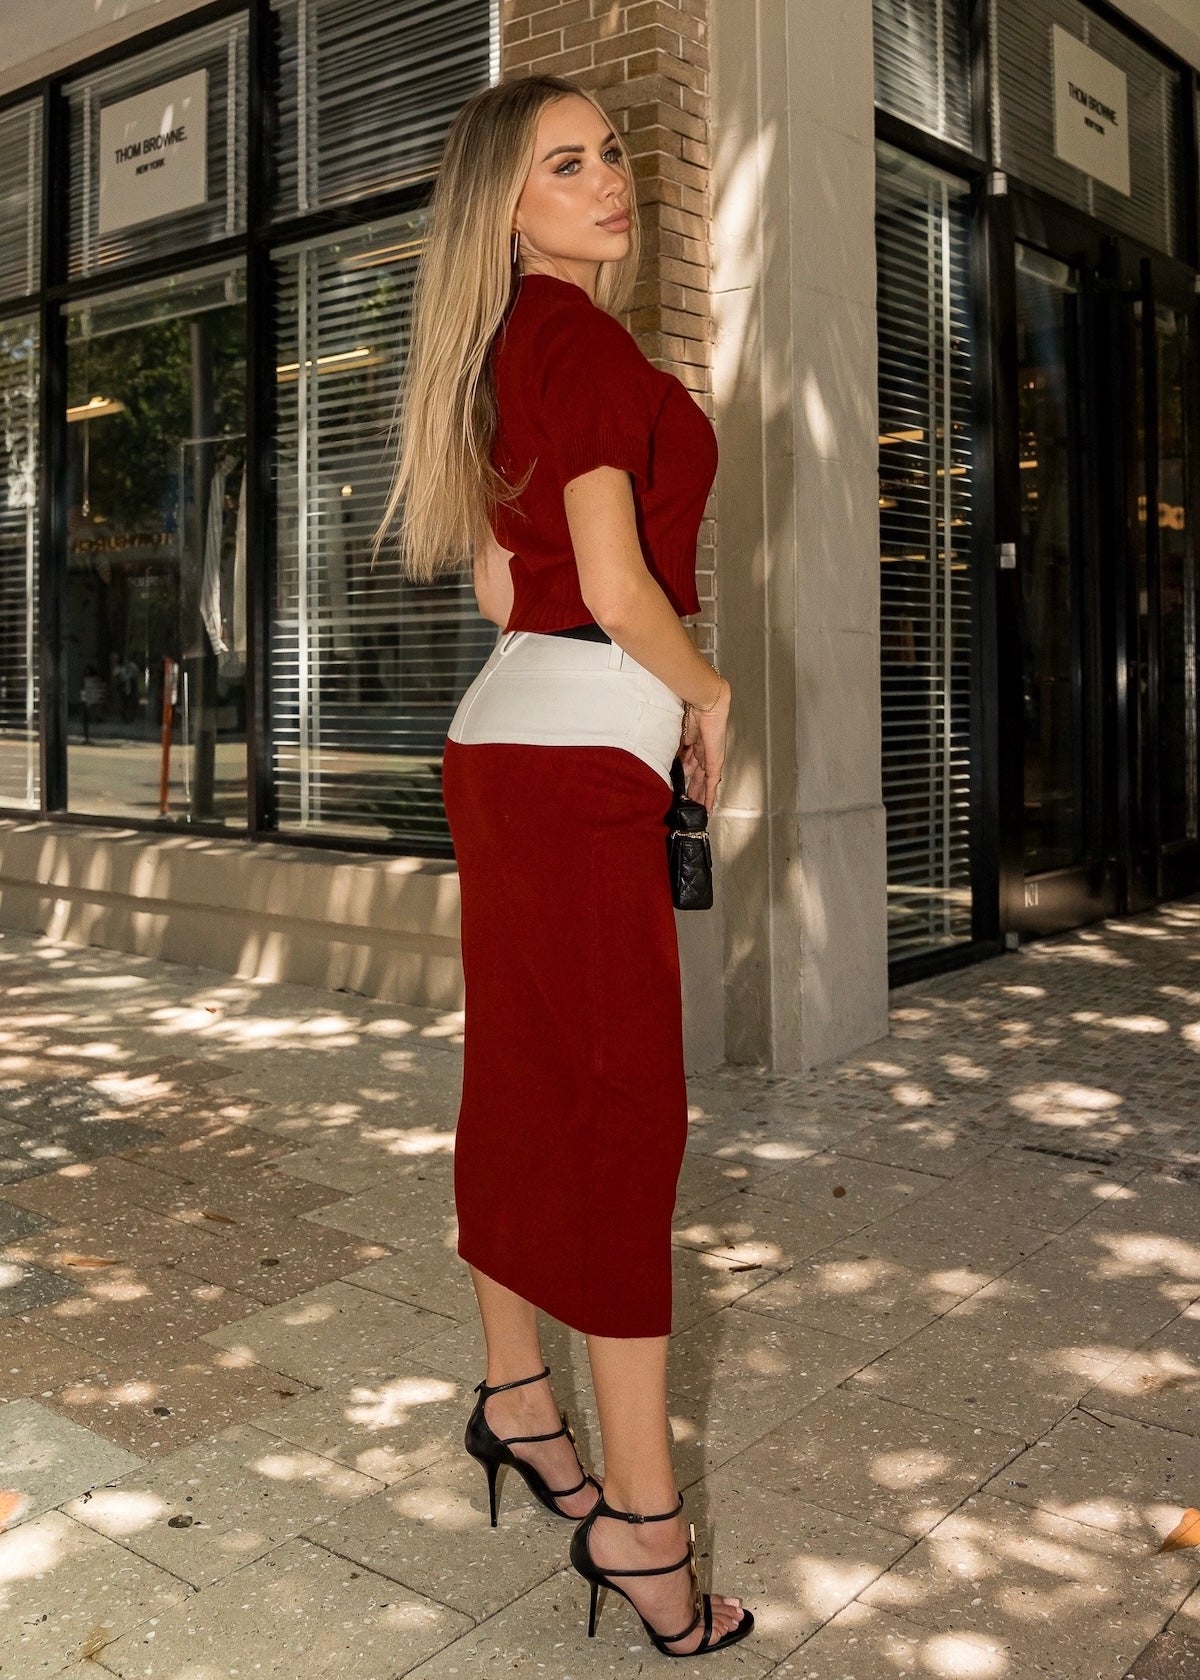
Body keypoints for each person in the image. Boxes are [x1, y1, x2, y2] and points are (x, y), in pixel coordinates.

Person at [378, 74, 750, 1658]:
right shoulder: (583, 345)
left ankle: (521, 1402)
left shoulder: (499, 348)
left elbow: (493, 583)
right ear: (509, 207)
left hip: (499, 740)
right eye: (568, 166)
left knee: (525, 1079)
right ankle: (643, 1528)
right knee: (615, 1113)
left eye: (612, 154)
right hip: (586, 741)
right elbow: (608, 586)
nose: (613, 183)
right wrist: (708, 691)